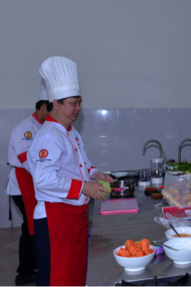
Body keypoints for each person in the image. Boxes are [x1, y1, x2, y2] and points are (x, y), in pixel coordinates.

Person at [28, 56, 114, 287]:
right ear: (55, 103)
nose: (78, 109)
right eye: (73, 103)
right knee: (56, 276)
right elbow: (44, 179)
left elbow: (81, 163)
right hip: (55, 217)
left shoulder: (70, 132)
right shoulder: (49, 136)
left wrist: (94, 174)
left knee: (73, 274)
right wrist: (85, 187)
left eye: (79, 103)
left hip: (72, 215)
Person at [6, 79, 49, 285]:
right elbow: (28, 163)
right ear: (43, 107)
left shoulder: (46, 126)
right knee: (33, 227)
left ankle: (26, 270)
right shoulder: (26, 129)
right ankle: (31, 268)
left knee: (29, 227)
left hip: (35, 183)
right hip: (22, 185)